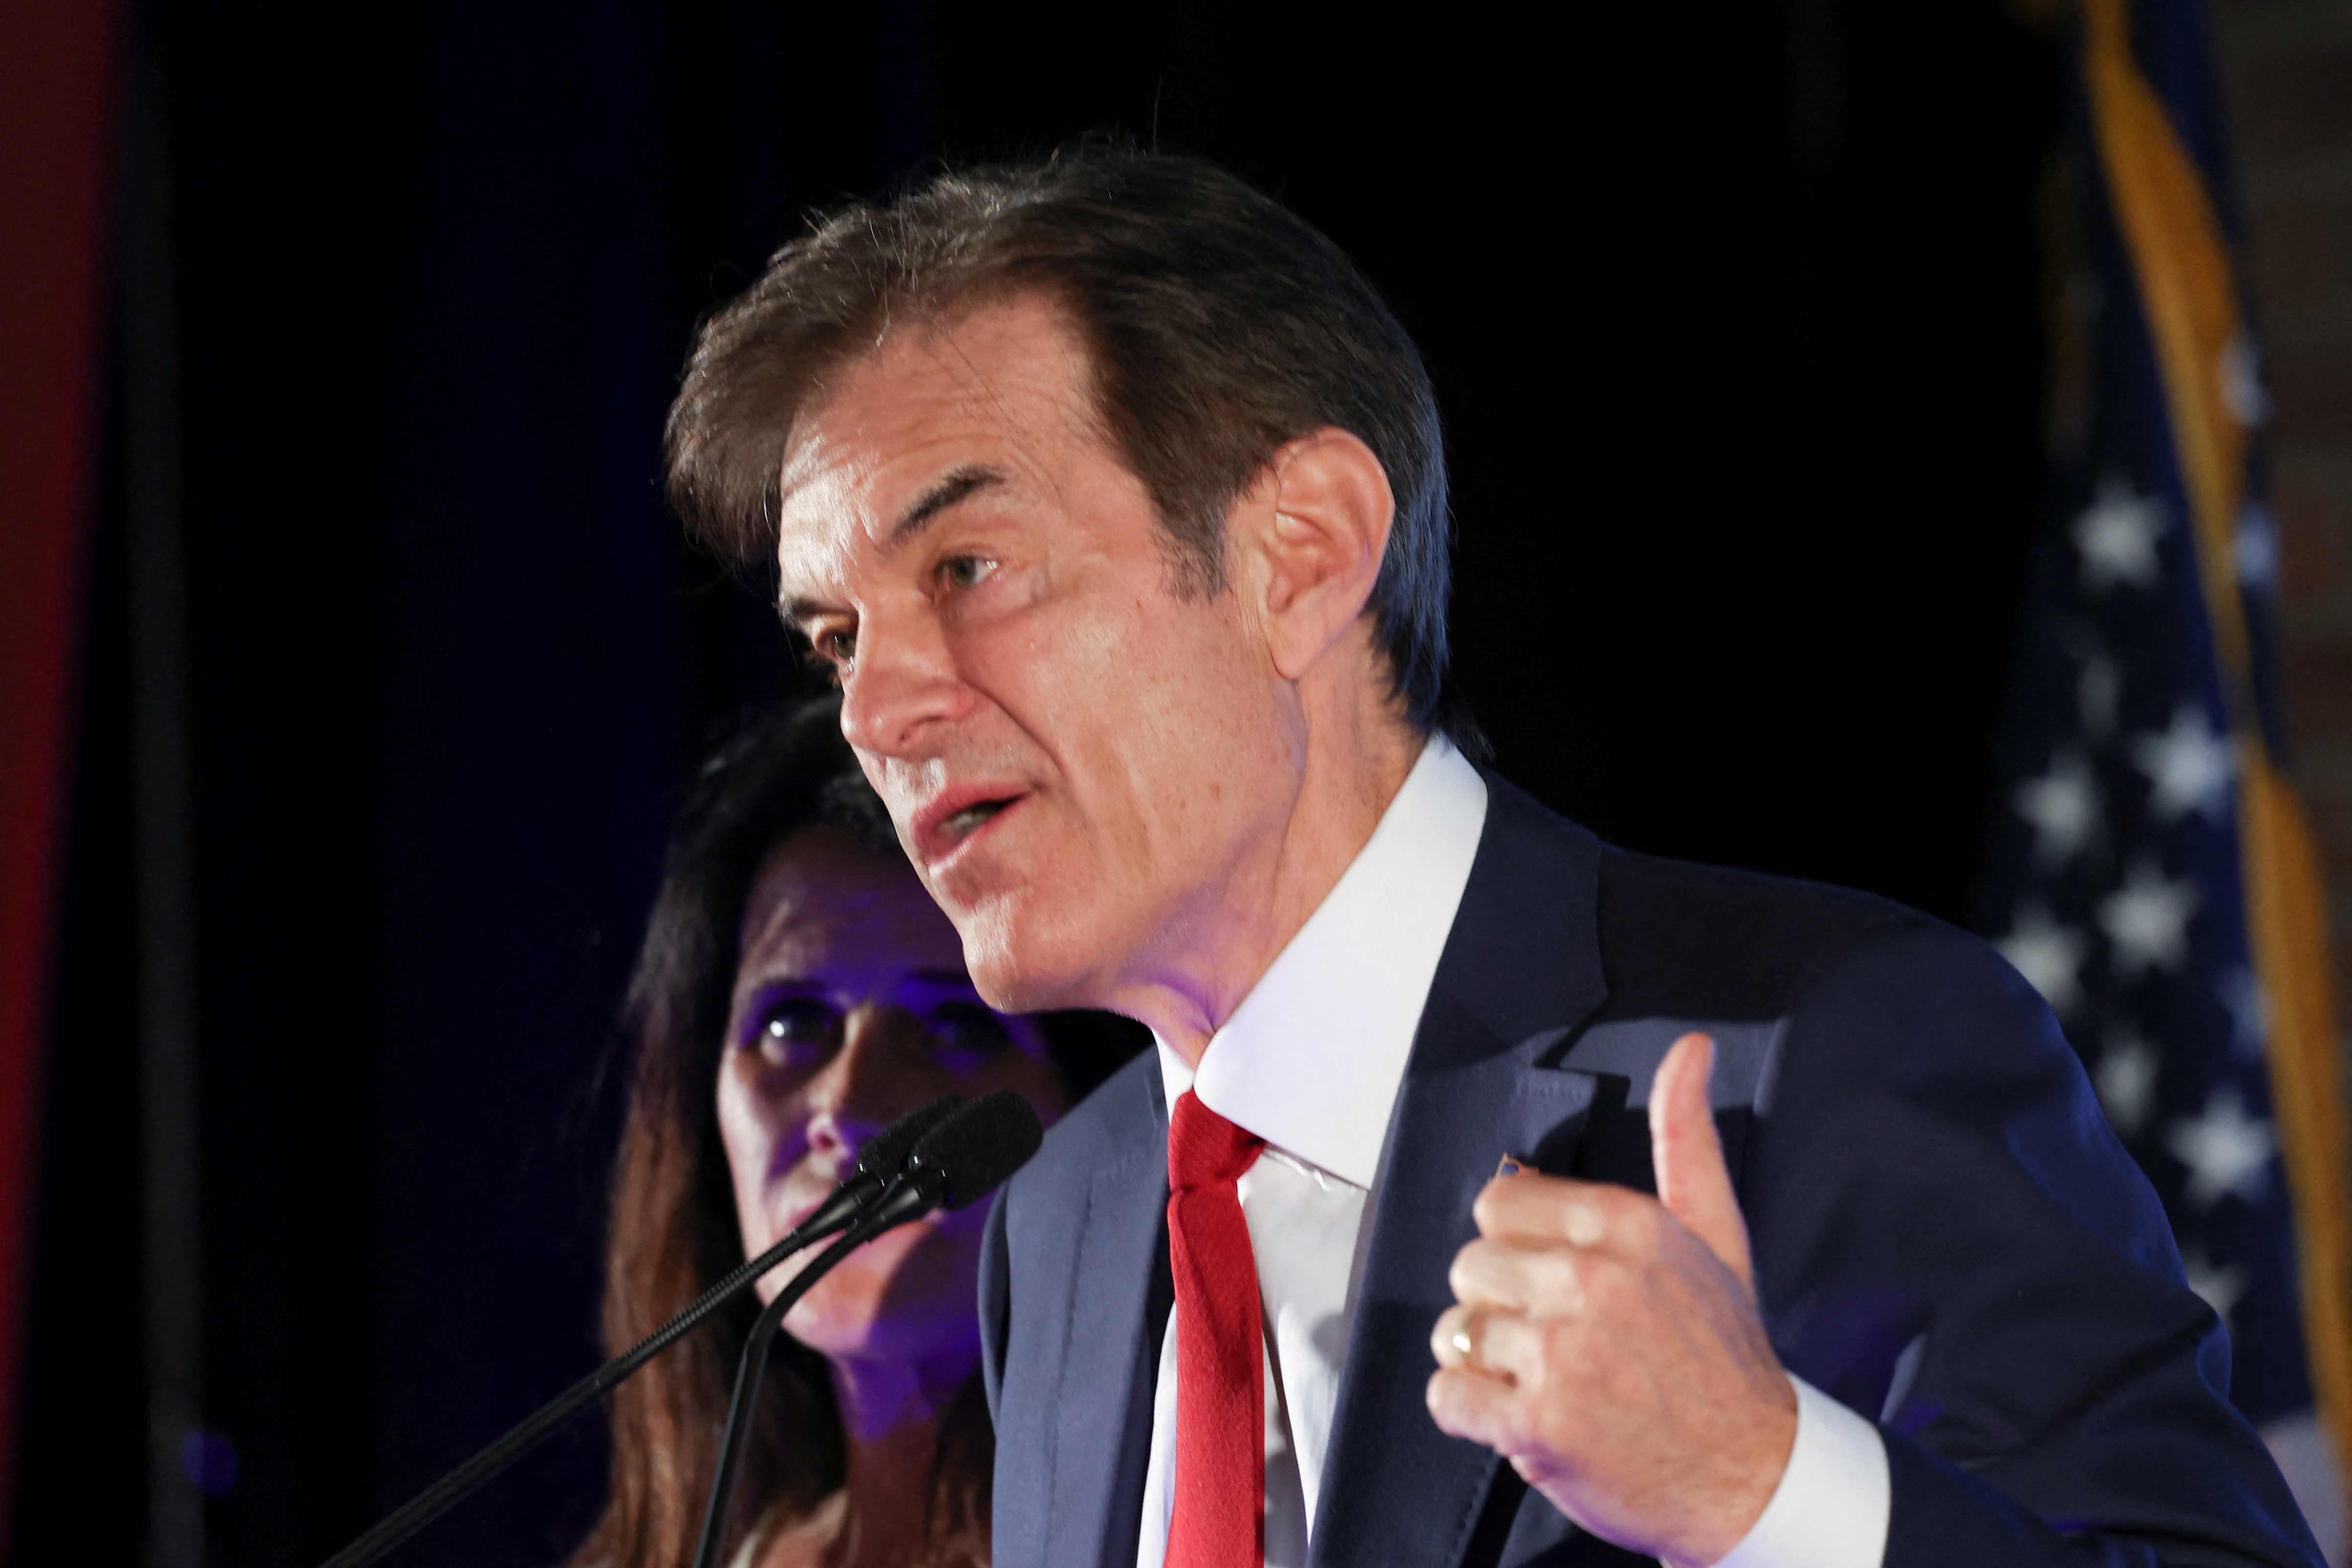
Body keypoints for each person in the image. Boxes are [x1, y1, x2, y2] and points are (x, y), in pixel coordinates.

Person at [659, 148, 2325, 1568]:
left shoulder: (1820, 1052)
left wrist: (1762, 1491)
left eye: (964, 567)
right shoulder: (1060, 1223)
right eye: (836, 637)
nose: (874, 710)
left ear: (1302, 555)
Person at [570, 696, 1144, 1568]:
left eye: (955, 1028)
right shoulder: (684, 1547)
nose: (847, 1107)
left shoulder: (1177, 1526)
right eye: (790, 1024)